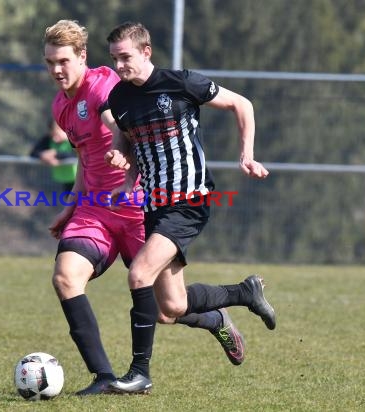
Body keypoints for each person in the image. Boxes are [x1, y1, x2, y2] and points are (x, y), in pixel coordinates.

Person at [42, 19, 246, 396]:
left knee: (170, 309)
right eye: (50, 62)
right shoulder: (61, 107)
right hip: (95, 212)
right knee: (65, 277)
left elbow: (113, 117)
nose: (56, 70)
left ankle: (219, 314)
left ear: (82, 57)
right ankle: (104, 376)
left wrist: (121, 147)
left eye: (64, 61)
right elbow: (86, 161)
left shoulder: (107, 85)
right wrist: (70, 207)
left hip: (138, 208)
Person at [104, 21, 276, 394]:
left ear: (146, 52)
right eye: (115, 58)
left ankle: (139, 374)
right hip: (153, 204)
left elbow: (240, 103)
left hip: (188, 202)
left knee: (138, 275)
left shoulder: (180, 82)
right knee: (171, 309)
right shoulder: (118, 99)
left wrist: (246, 155)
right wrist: (124, 170)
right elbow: (130, 142)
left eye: (126, 57)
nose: (119, 66)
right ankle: (239, 297)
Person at [30, 119, 77, 193]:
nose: (55, 138)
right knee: (70, 202)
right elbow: (33, 153)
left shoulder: (73, 137)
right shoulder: (48, 139)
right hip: (62, 180)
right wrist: (43, 155)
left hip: (80, 180)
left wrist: (55, 153)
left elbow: (76, 155)